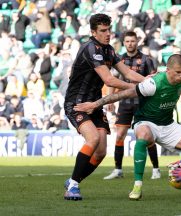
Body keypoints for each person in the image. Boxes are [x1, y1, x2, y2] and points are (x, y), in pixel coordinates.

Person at [74, 54, 181, 200]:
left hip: (168, 124)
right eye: (178, 72)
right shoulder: (153, 84)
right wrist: (95, 104)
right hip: (145, 122)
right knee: (143, 136)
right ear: (168, 70)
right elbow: (123, 94)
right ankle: (137, 186)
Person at [63, 13, 145, 201]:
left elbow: (128, 73)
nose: (108, 34)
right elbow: (109, 79)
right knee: (92, 139)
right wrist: (137, 88)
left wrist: (150, 81)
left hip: (95, 105)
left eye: (109, 29)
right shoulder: (90, 48)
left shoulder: (109, 50)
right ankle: (73, 187)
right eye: (103, 30)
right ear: (93, 32)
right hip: (77, 104)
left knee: (100, 153)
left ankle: (73, 180)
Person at [103, 30, 161, 181]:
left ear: (137, 42)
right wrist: (110, 99)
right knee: (120, 135)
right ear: (124, 43)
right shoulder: (119, 60)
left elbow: (154, 80)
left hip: (142, 103)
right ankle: (118, 170)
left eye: (132, 41)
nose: (130, 44)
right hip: (125, 103)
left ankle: (156, 169)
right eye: (127, 41)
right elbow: (112, 79)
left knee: (147, 137)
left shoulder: (146, 59)